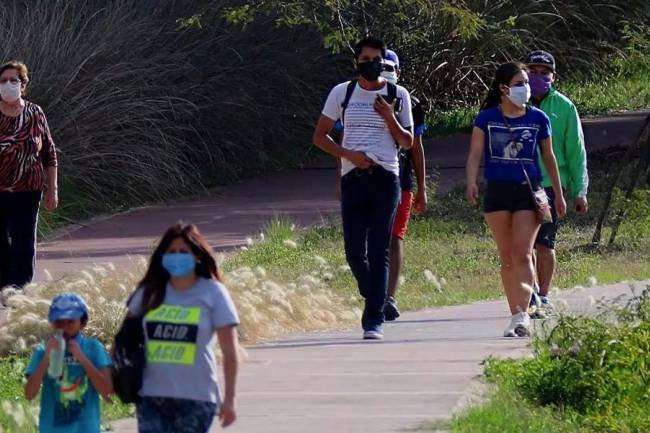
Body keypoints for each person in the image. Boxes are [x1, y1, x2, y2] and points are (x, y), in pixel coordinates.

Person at [313, 37, 413, 340]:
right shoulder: (342, 93)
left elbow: (407, 142)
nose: (371, 64)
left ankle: (373, 321)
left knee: (379, 249)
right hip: (353, 177)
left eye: (376, 59)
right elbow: (320, 136)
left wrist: (389, 116)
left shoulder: (398, 94)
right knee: (354, 253)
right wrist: (349, 156)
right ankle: (374, 295)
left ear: (383, 62)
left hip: (385, 178)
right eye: (365, 58)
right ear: (355, 62)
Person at [465, 62, 566, 337]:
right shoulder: (485, 118)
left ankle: (524, 314)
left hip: (529, 191)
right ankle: (516, 314)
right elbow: (475, 154)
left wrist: (557, 193)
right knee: (507, 257)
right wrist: (472, 181)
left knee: (523, 253)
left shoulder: (538, 119)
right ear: (503, 88)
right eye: (519, 83)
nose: (525, 88)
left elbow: (549, 157)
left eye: (526, 82)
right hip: (497, 190)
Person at [127, 223, 240, 432]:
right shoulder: (149, 292)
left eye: (183, 252)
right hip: (151, 397)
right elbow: (125, 336)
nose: (176, 256)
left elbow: (230, 353)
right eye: (171, 252)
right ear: (162, 256)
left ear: (197, 255)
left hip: (196, 398)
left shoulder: (213, 293)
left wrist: (230, 400)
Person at [526, 51, 588, 309]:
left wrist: (579, 190)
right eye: (533, 71)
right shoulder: (515, 103)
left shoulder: (564, 107)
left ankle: (544, 293)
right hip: (519, 182)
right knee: (522, 245)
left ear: (553, 76)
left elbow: (576, 150)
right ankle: (527, 293)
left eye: (544, 73)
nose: (538, 77)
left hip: (550, 186)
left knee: (544, 242)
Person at [0, 61, 58, 289]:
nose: (7, 85)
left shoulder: (35, 113)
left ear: (23, 84)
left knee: (24, 241)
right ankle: (5, 286)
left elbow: (49, 152)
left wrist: (52, 189)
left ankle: (20, 290)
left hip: (29, 190)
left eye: (13, 80)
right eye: (3, 81)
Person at [381, 49, 427, 321]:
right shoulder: (357, 98)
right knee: (372, 238)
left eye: (391, 67)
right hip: (369, 180)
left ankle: (389, 297)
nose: (386, 71)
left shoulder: (411, 102)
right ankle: (374, 292)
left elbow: (416, 147)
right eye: (381, 66)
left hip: (402, 180)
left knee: (395, 238)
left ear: (399, 72)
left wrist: (421, 187)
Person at [24, 293, 113, 433]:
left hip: (85, 428)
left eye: (71, 321)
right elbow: (29, 394)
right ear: (52, 323)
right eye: (59, 321)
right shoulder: (43, 350)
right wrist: (46, 358)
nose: (64, 327)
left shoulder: (93, 348)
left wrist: (83, 359)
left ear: (82, 322)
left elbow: (107, 391)